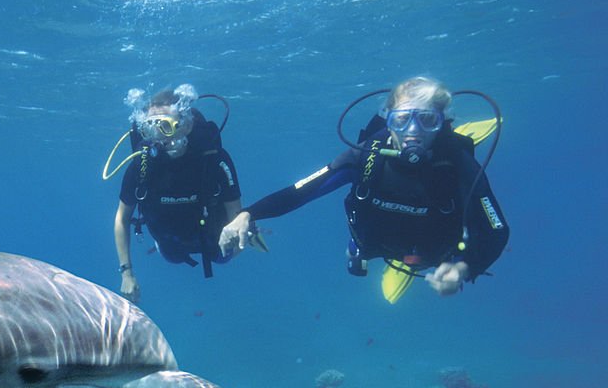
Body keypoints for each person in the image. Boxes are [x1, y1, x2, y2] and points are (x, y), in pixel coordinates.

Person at [218, 77, 509, 300]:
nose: (413, 132)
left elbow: (496, 230)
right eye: (402, 119)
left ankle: (456, 133)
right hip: (375, 246)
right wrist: (247, 213)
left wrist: (463, 268)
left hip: (439, 254)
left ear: (441, 123)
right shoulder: (365, 157)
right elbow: (301, 191)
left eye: (427, 120)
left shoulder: (458, 165)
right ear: (389, 121)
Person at [109, 84, 245, 303]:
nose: (159, 138)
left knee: (223, 257)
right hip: (168, 242)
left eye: (165, 126)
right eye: (150, 128)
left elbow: (235, 212)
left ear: (185, 124)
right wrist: (126, 273)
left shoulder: (213, 158)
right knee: (171, 257)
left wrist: (239, 236)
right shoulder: (141, 165)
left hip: (213, 237)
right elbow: (121, 218)